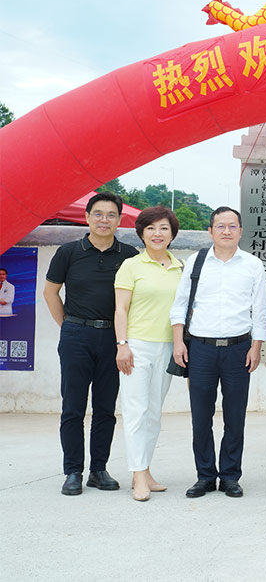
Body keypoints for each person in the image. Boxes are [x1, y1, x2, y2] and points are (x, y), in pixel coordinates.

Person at [170, 206, 266, 499]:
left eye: (232, 226)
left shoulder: (252, 265)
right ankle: (205, 475)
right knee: (201, 416)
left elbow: (260, 310)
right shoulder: (197, 262)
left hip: (239, 349)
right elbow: (180, 304)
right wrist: (178, 342)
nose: (227, 231)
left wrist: (256, 347)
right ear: (210, 231)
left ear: (241, 231)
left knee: (235, 416)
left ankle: (230, 476)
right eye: (220, 226)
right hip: (200, 349)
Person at [43, 192, 138, 496]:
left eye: (111, 215)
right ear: (87, 217)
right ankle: (73, 471)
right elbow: (50, 292)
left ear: (119, 220)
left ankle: (99, 469)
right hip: (76, 336)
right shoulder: (69, 252)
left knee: (105, 408)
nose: (104, 220)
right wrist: (68, 326)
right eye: (98, 214)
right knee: (73, 407)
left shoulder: (129, 255)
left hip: (113, 338)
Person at [113, 206, 183, 501]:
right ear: (141, 233)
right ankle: (138, 476)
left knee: (153, 414)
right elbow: (120, 309)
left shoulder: (180, 267)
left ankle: (145, 470)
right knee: (136, 411)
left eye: (164, 228)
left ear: (172, 234)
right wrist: (122, 344)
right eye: (151, 228)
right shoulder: (131, 266)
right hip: (137, 347)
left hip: (167, 347)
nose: (157, 233)